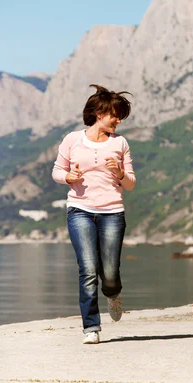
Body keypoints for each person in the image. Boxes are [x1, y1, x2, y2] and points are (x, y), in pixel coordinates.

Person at [52, 84, 136, 344]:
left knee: (109, 274)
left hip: (112, 212)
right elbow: (56, 172)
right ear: (100, 113)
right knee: (88, 269)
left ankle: (113, 294)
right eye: (115, 114)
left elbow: (131, 183)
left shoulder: (120, 143)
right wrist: (68, 177)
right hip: (80, 210)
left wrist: (119, 172)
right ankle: (91, 327)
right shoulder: (71, 140)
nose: (119, 120)